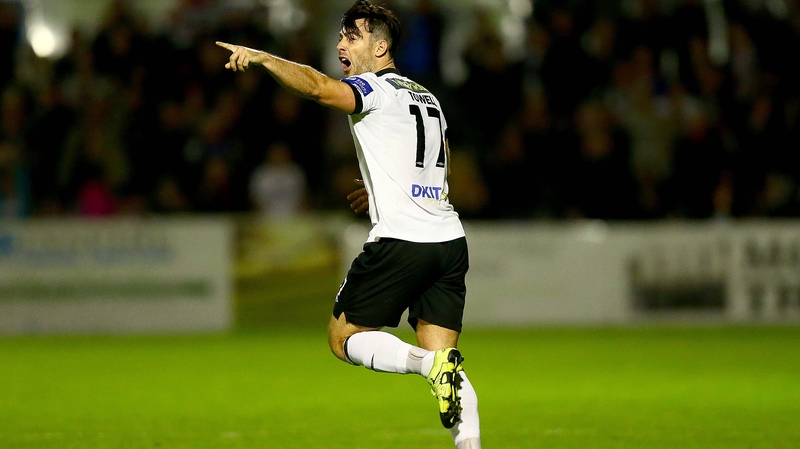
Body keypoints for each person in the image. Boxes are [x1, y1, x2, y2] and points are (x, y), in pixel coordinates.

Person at [217, 1, 481, 447]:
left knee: (344, 338)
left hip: (402, 241)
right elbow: (443, 162)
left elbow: (321, 89)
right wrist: (382, 188)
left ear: (381, 47)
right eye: (340, 35)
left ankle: (427, 367)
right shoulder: (428, 97)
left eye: (352, 36)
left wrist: (264, 58)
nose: (341, 43)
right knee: (446, 358)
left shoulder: (373, 88)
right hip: (448, 240)